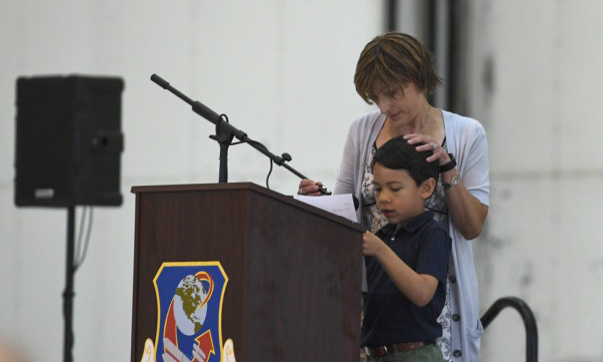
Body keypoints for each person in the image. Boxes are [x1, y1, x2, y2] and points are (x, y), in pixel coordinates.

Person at [298, 32, 489, 362]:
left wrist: (448, 170)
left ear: (418, 79)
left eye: (393, 94)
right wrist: (317, 200)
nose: (385, 107)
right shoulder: (362, 131)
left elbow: (472, 227)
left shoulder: (467, 133)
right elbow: (345, 216)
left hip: (434, 304)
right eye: (376, 98)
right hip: (374, 304)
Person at [361, 136, 450, 361]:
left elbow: (422, 293)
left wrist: (381, 251)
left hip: (414, 354)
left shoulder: (432, 234)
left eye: (395, 188)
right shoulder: (382, 237)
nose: (384, 199)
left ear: (427, 188)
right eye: (378, 189)